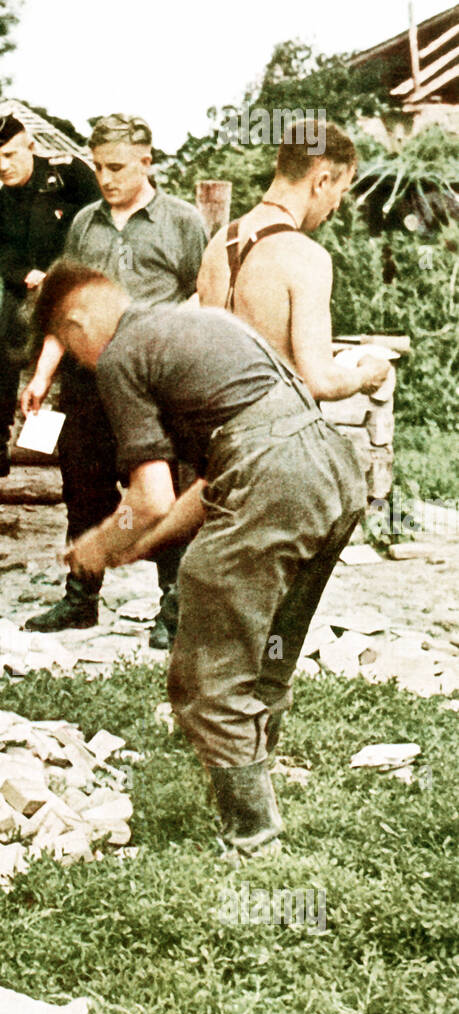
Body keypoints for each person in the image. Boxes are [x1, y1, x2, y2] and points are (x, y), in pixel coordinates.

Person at [31, 261, 390, 859]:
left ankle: (253, 841)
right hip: (329, 472)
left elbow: (148, 498)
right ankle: (259, 772)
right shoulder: (192, 326)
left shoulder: (121, 355)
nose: (81, 364)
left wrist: (96, 545)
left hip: (272, 479)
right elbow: (208, 482)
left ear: (75, 322)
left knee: (206, 670)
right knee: (268, 645)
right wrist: (143, 542)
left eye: (69, 350)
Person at [20, 115, 207, 640]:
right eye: (97, 166)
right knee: (83, 489)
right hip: (89, 381)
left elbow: (206, 294)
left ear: (147, 161)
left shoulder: (183, 221)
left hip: (156, 384)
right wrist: (41, 376)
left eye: (117, 166)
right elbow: (67, 308)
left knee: (163, 491)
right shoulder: (83, 224)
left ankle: (174, 607)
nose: (105, 177)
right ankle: (80, 598)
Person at [197, 119, 390, 400]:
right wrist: (367, 373)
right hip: (274, 434)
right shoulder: (306, 257)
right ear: (322, 182)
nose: (336, 205)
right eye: (342, 192)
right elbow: (322, 382)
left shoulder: (219, 243)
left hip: (217, 427)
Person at [0, 110, 99, 488]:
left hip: (82, 286)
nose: (3, 166)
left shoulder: (70, 176)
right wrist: (27, 276)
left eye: (10, 155)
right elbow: (3, 259)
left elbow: (100, 227)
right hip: (31, 294)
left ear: (31, 147)